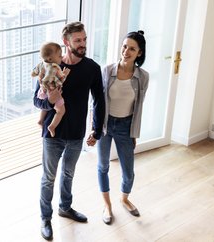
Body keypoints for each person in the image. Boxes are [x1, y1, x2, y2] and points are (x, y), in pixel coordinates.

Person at [33, 21, 105, 241]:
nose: (83, 44)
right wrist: (51, 102)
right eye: (78, 40)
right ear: (66, 42)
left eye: (84, 39)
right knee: (48, 178)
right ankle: (46, 218)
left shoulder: (92, 68)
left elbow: (99, 100)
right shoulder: (48, 65)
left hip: (76, 134)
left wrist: (97, 130)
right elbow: (37, 100)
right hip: (52, 135)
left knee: (68, 174)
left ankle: (65, 207)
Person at [87, 31, 149, 225]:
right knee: (102, 166)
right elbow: (96, 103)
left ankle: (124, 199)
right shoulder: (107, 71)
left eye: (132, 48)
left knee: (128, 171)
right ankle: (107, 205)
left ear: (139, 53)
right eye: (124, 46)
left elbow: (139, 108)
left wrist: (134, 133)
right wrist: (94, 129)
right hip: (105, 125)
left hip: (125, 126)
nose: (126, 51)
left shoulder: (143, 77)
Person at [31, 42, 70, 137]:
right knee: (61, 111)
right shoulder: (56, 67)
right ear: (50, 59)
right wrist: (65, 74)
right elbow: (61, 80)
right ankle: (52, 126)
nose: (61, 57)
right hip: (53, 91)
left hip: (43, 91)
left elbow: (34, 73)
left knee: (45, 107)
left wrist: (37, 75)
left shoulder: (41, 64)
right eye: (60, 56)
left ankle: (40, 120)